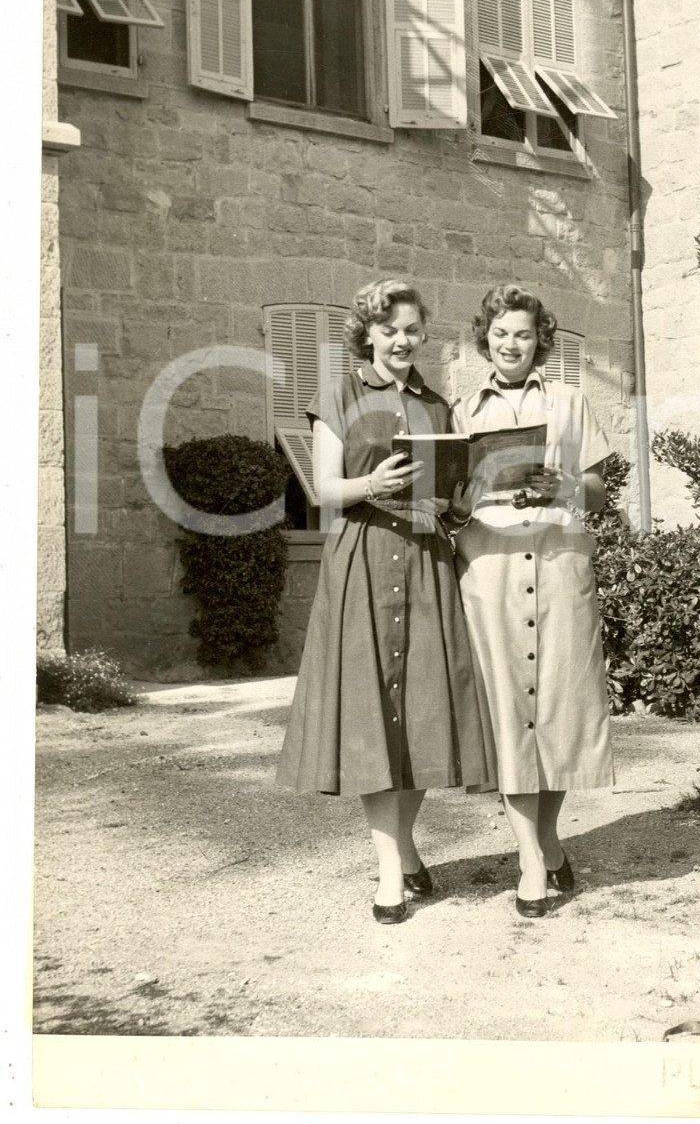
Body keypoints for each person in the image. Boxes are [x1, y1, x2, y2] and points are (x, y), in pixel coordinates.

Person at [276, 279, 495, 925]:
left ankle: (403, 846)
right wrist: (371, 481)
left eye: (413, 330)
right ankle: (389, 874)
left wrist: (457, 499)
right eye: (391, 329)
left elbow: (452, 491)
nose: (403, 340)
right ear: (368, 331)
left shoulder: (436, 403)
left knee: (427, 713)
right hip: (364, 562)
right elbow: (323, 488)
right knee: (373, 719)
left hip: (426, 561)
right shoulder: (340, 393)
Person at [449, 284, 615, 918]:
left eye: (521, 333)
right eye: (499, 334)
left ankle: (547, 839)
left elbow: (599, 490)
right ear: (484, 339)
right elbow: (452, 500)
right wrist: (466, 491)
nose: (510, 344)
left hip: (558, 566)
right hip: (489, 570)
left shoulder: (571, 402)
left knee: (559, 713)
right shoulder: (463, 413)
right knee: (507, 716)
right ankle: (529, 861)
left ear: (538, 338)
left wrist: (567, 481)